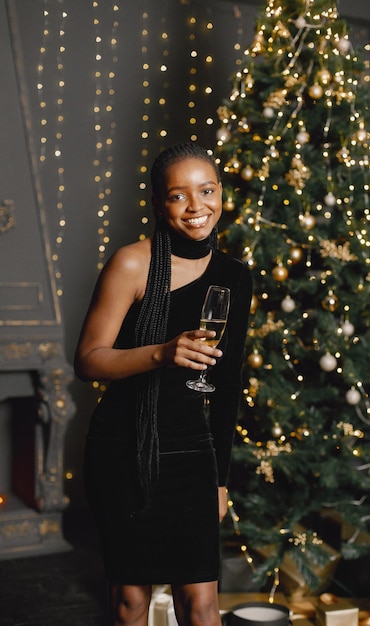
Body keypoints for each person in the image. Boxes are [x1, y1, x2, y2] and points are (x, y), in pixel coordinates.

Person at [74, 142, 252, 626]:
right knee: (131, 603)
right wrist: (162, 353)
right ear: (158, 203)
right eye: (179, 195)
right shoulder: (132, 263)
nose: (197, 207)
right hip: (124, 448)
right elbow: (88, 361)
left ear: (221, 194)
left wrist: (219, 481)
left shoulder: (235, 277)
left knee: (201, 605)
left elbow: (227, 386)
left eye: (207, 190)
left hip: (193, 455)